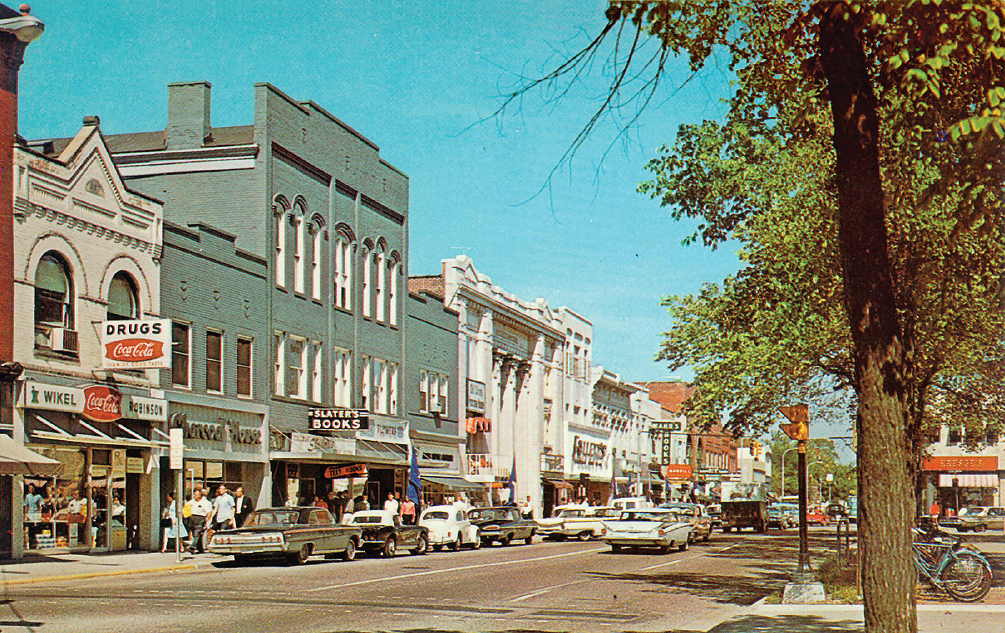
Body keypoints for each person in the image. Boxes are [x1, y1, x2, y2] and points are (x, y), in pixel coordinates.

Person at [187, 488, 212, 553]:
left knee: (197, 533)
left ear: (200, 495)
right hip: (192, 518)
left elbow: (209, 513)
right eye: (194, 494)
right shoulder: (192, 501)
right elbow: (187, 507)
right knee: (195, 533)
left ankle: (193, 546)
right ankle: (200, 548)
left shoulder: (206, 502)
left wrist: (207, 521)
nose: (194, 496)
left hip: (200, 518)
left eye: (196, 494)